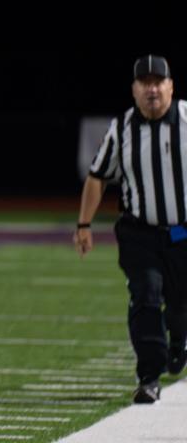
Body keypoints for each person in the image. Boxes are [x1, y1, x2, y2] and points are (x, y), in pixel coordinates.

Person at [76, 54, 187, 404]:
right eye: (145, 83)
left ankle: (180, 338)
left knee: (181, 303)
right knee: (146, 296)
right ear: (134, 90)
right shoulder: (121, 128)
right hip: (140, 234)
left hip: (183, 233)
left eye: (158, 81)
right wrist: (83, 224)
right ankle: (148, 376)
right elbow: (97, 177)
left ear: (171, 86)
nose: (152, 88)